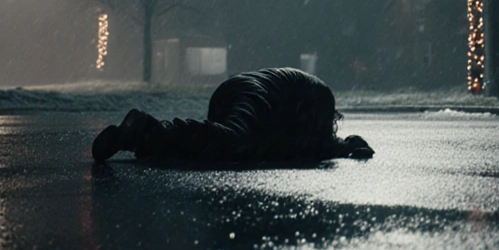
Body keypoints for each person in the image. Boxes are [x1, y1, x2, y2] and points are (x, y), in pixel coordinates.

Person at [91, 67, 373, 163]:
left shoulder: (308, 101)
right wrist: (345, 148)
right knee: (237, 140)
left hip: (241, 90)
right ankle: (146, 129)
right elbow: (318, 144)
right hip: (255, 92)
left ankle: (153, 141)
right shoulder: (321, 99)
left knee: (227, 145)